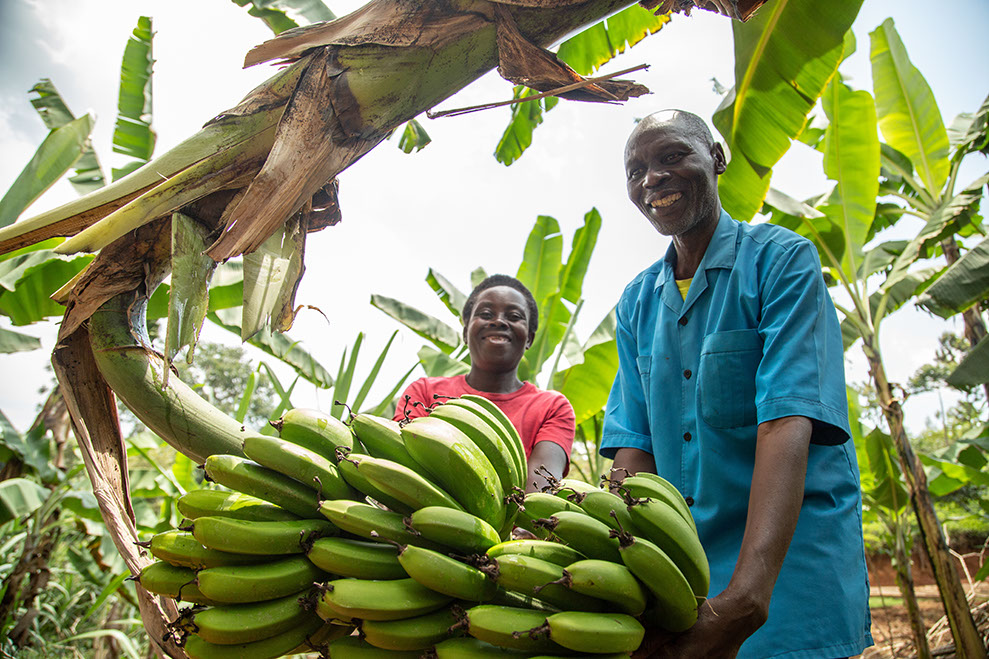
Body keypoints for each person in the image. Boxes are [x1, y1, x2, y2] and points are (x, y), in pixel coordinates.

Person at [600, 110, 873, 658]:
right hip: (684, 570)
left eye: (672, 156)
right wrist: (623, 574)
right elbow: (634, 446)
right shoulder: (636, 302)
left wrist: (748, 597)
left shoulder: (781, 261)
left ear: (717, 159)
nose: (652, 178)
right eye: (636, 170)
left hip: (787, 570)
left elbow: (786, 418)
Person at [395, 274, 575, 493]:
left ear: (529, 338)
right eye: (486, 313)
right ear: (465, 332)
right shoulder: (424, 392)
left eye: (514, 315)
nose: (499, 321)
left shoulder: (552, 407)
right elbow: (403, 466)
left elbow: (539, 489)